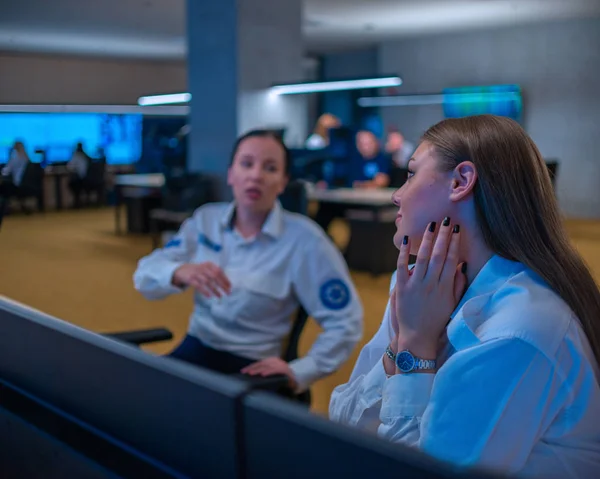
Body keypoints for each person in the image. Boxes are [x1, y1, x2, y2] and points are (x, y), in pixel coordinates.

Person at [329, 115, 600, 478]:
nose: (396, 194)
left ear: (460, 182)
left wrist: (415, 346)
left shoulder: (521, 330)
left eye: (411, 174)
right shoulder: (416, 287)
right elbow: (345, 423)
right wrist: (402, 344)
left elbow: (411, 470)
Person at [134, 129, 363, 394]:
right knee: (139, 397)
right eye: (246, 164)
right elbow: (144, 278)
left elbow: (345, 322)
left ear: (282, 182)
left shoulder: (306, 241)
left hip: (254, 364)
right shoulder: (205, 220)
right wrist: (178, 271)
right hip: (197, 345)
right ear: (231, 174)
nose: (256, 175)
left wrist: (300, 370)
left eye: (270, 168)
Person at [314, 129, 392, 234]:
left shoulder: (382, 159)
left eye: (368, 143)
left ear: (376, 142)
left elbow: (382, 181)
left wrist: (362, 185)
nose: (365, 146)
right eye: (362, 143)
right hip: (348, 200)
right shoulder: (352, 160)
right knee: (324, 210)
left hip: (371, 204)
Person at [67, 142, 92, 208]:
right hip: (87, 180)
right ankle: (78, 202)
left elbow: (70, 167)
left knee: (73, 183)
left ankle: (77, 203)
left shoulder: (76, 156)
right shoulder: (87, 156)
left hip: (81, 180)